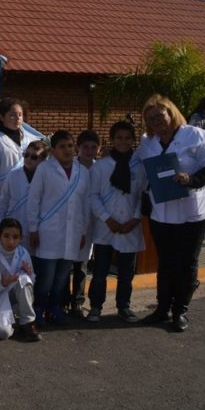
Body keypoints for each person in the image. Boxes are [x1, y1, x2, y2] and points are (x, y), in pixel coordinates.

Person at [135, 94, 205, 332]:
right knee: (165, 262)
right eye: (150, 118)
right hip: (161, 211)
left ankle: (180, 311)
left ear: (171, 113)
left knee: (186, 262)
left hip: (192, 210)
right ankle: (162, 308)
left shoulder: (193, 135)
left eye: (159, 115)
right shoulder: (148, 142)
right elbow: (138, 170)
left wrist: (192, 179)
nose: (156, 121)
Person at [27, 130, 90, 326]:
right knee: (45, 278)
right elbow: (34, 200)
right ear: (53, 151)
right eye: (62, 147)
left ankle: (54, 308)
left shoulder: (83, 172)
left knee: (62, 277)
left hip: (73, 233)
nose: (67, 150)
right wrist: (33, 228)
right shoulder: (44, 169)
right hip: (48, 232)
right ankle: (38, 309)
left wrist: (84, 232)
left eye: (70, 146)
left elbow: (85, 205)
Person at [87, 121, 144, 323]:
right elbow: (93, 196)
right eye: (119, 138)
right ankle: (95, 306)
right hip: (106, 226)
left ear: (133, 140)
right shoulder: (101, 166)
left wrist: (135, 218)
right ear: (111, 140)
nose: (123, 142)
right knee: (100, 271)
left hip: (130, 225)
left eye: (127, 138)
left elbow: (141, 196)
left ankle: (124, 306)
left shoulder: (139, 166)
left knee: (126, 273)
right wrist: (107, 219)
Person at [67, 129, 101, 317]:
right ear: (78, 148)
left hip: (93, 222)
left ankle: (77, 301)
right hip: (71, 221)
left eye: (93, 147)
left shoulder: (100, 168)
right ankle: (62, 300)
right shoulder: (70, 168)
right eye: (85, 147)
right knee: (65, 262)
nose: (89, 151)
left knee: (82, 264)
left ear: (99, 149)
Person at [0, 140, 48, 253]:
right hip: (15, 230)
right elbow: (2, 203)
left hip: (39, 232)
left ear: (43, 160)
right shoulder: (13, 175)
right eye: (26, 155)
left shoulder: (48, 178)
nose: (28, 159)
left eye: (34, 157)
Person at [0, 218, 41, 342]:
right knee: (2, 333)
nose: (11, 241)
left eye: (15, 237)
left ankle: (28, 322)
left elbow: (31, 283)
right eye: (6, 236)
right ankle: (11, 323)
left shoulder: (23, 252)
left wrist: (30, 274)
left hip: (16, 297)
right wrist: (2, 283)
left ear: (21, 238)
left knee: (24, 279)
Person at [0, 97, 43, 190]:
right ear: (2, 117)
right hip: (5, 194)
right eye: (12, 115)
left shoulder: (31, 140)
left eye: (20, 114)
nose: (17, 118)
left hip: (29, 193)